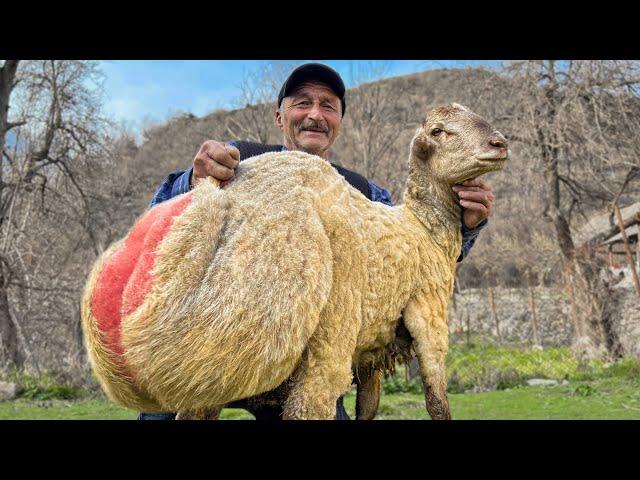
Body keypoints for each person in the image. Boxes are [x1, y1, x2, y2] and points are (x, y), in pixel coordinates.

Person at [139, 63, 495, 420]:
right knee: (163, 407)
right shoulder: (240, 160)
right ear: (280, 117)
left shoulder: (366, 194)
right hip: (225, 343)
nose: (315, 114)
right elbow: (160, 220)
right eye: (302, 102)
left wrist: (465, 227)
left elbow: (416, 258)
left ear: (338, 122)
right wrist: (194, 180)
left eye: (328, 105)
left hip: (313, 362)